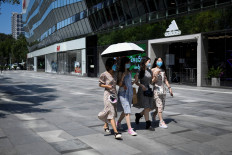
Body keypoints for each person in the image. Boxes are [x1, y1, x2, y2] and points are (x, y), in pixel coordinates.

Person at [98, 58, 122, 139]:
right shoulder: (104, 74)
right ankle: (116, 132)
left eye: (116, 64)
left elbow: (118, 83)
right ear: (110, 65)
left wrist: (123, 76)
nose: (116, 65)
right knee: (111, 112)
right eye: (114, 64)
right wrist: (107, 86)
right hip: (107, 95)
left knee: (112, 111)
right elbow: (100, 84)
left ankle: (105, 125)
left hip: (114, 95)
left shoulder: (115, 74)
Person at [116, 57, 137, 136]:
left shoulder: (129, 72)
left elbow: (130, 84)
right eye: (128, 62)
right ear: (124, 63)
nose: (129, 64)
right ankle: (130, 129)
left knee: (126, 110)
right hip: (123, 93)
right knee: (127, 110)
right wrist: (122, 77)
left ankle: (118, 122)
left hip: (129, 93)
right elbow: (119, 84)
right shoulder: (120, 72)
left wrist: (135, 80)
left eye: (129, 63)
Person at [151, 57, 173, 129]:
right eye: (158, 60)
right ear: (155, 62)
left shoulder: (163, 70)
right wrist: (156, 75)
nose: (160, 62)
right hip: (157, 90)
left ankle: (154, 114)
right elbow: (151, 82)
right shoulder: (153, 70)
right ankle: (161, 122)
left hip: (163, 90)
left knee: (161, 107)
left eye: (161, 61)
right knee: (159, 106)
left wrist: (170, 88)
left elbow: (165, 80)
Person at [134, 56, 155, 129]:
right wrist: (141, 85)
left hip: (149, 89)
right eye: (149, 62)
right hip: (142, 90)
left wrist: (154, 79)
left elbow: (151, 82)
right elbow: (136, 82)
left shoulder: (150, 71)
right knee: (146, 107)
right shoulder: (139, 71)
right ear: (145, 62)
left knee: (149, 107)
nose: (150, 63)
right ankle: (148, 124)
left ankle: (139, 115)